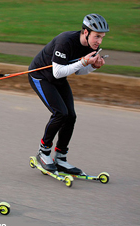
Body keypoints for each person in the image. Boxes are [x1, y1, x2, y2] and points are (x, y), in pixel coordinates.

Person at [28, 14, 109, 174]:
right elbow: (58, 72)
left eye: (102, 37)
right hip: (41, 77)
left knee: (71, 116)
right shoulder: (65, 41)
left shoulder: (89, 47)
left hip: (58, 78)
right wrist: (84, 61)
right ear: (85, 32)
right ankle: (43, 152)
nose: (99, 41)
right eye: (97, 36)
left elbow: (78, 71)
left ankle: (60, 157)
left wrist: (93, 66)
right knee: (60, 113)